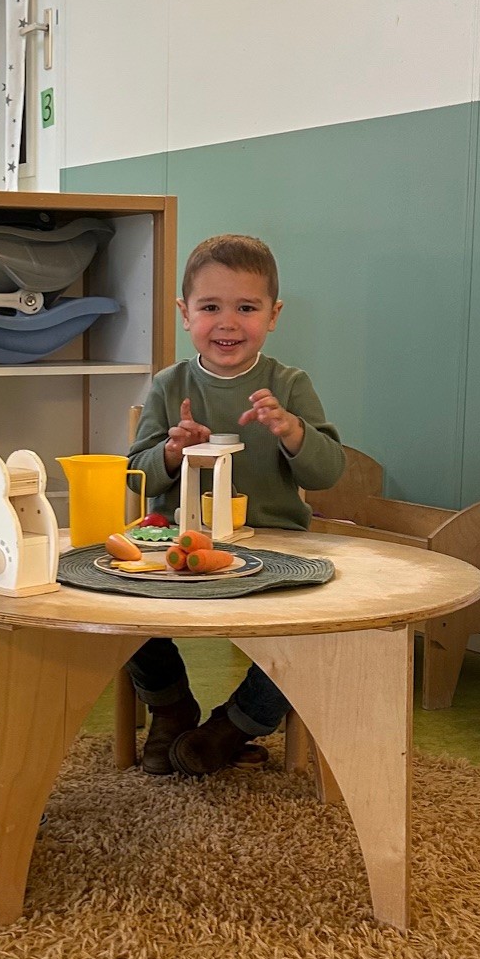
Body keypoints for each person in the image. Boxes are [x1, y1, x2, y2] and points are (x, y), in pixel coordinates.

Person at [126, 233, 345, 776]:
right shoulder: (169, 384)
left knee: (311, 632)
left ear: (273, 315)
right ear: (185, 314)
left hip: (275, 547)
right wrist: (172, 450)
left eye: (246, 308)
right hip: (178, 549)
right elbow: (135, 474)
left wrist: (292, 431)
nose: (227, 323)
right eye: (210, 308)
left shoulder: (289, 384)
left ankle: (237, 725)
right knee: (121, 610)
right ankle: (171, 708)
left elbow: (327, 472)